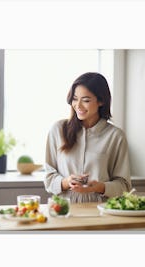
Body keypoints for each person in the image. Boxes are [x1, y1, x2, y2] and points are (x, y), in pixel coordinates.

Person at [44, 72, 131, 203]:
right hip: (63, 210)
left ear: (101, 101)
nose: (78, 105)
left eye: (85, 100)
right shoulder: (58, 130)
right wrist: (67, 182)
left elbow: (124, 186)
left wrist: (99, 187)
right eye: (74, 98)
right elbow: (48, 178)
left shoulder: (116, 136)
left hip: (101, 212)